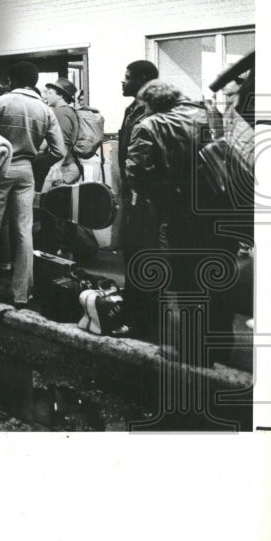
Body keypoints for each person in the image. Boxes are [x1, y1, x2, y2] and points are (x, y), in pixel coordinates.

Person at [125, 80, 237, 356]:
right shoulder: (210, 113)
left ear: (151, 103)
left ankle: (193, 349)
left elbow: (136, 173)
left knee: (188, 278)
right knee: (220, 276)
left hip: (184, 210)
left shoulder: (149, 126)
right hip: (224, 206)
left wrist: (164, 201)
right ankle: (221, 346)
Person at [0, 62, 65, 307]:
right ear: (34, 81)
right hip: (26, 172)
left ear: (11, 79)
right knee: (24, 230)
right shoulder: (45, 109)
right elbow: (58, 150)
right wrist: (36, 163)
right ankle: (21, 294)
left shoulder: (1, 102)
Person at [117, 60, 161, 337]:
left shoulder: (150, 110)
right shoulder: (132, 108)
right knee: (131, 250)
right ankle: (134, 312)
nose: (123, 82)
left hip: (145, 196)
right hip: (132, 193)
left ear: (143, 79)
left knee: (142, 253)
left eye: (127, 76)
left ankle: (143, 323)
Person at [36, 77, 84, 257]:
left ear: (61, 95)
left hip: (62, 168)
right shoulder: (66, 111)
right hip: (67, 166)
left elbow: (62, 145)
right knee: (63, 214)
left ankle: (56, 257)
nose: (46, 95)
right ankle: (66, 253)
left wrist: (55, 169)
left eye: (50, 92)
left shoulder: (61, 112)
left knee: (52, 215)